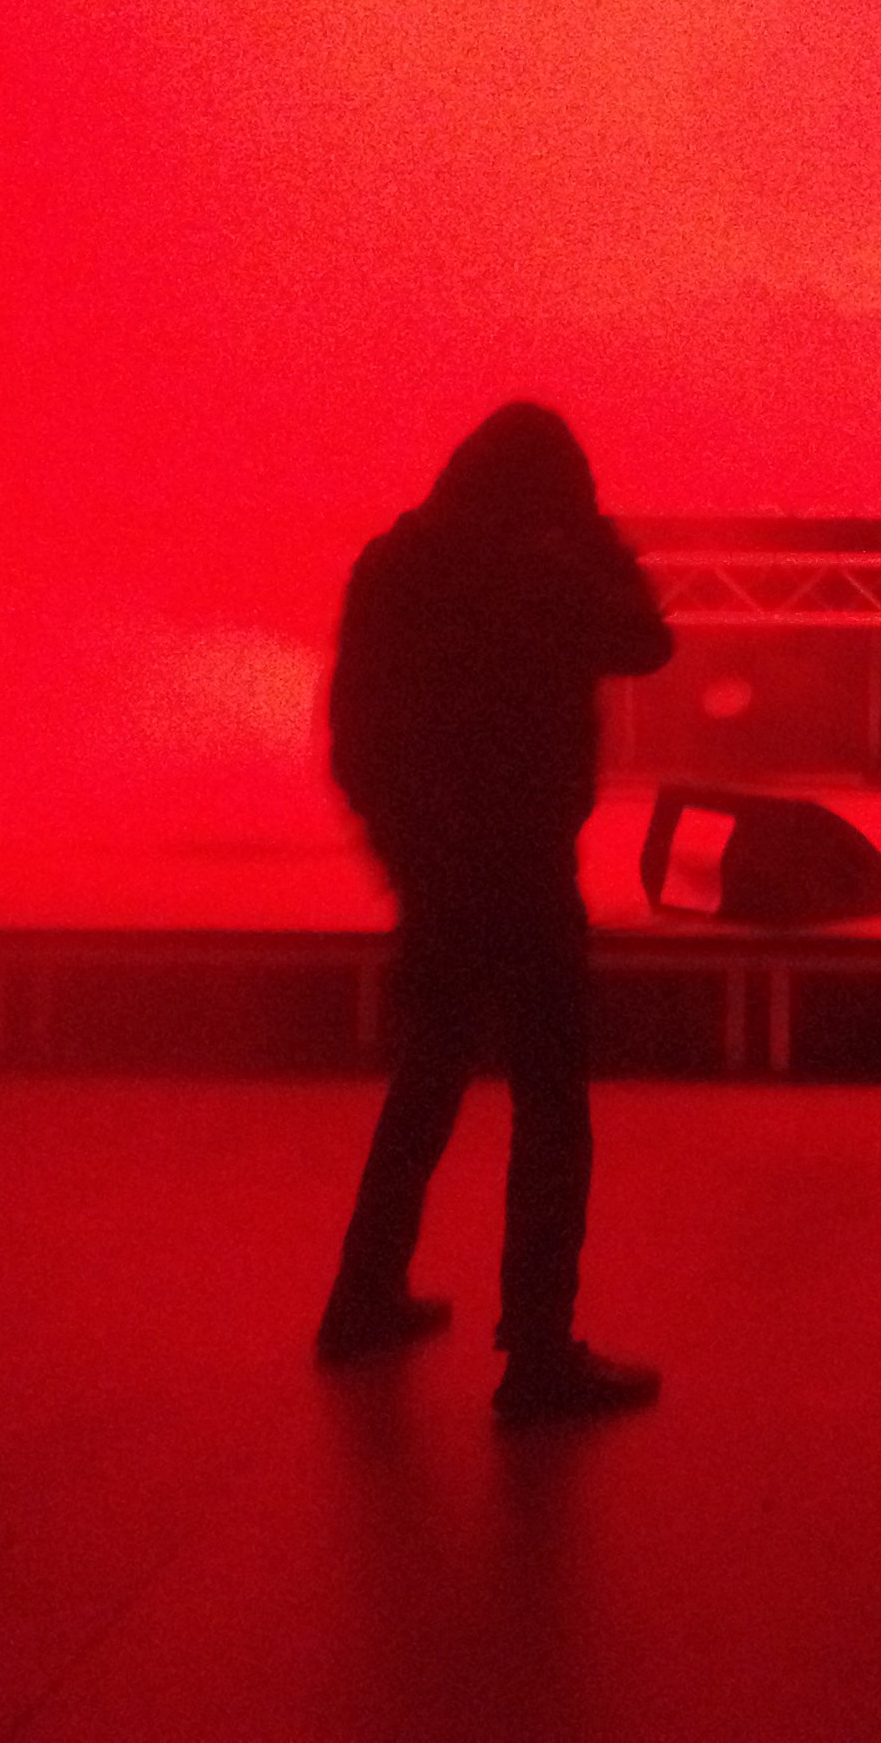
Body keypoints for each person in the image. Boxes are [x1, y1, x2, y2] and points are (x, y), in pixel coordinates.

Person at [314, 402, 678, 1423]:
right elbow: (647, 639)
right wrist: (597, 536)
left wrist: (400, 847)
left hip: (437, 870)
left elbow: (354, 728)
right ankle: (538, 1348)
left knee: (427, 1079)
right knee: (550, 1101)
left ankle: (362, 1293)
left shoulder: (394, 564)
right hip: (524, 865)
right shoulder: (548, 574)